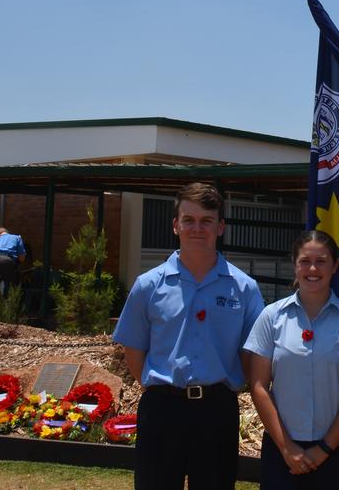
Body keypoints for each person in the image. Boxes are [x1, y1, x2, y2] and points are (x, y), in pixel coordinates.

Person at [112, 182, 265, 490]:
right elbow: (134, 348)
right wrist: (158, 387)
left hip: (217, 411)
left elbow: (253, 354)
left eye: (207, 221)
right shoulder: (148, 285)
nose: (198, 228)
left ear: (220, 227)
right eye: (189, 220)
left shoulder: (244, 288)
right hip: (162, 409)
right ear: (175, 225)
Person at [244, 230, 339, 489]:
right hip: (283, 453)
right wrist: (287, 448)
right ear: (294, 264)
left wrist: (324, 448)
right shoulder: (271, 317)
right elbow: (258, 386)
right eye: (305, 261)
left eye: (322, 261)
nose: (312, 268)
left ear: (335, 265)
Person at [0, 227, 25, 294]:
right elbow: (22, 257)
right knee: (9, 285)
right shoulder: (17, 238)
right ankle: (7, 303)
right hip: (6, 259)